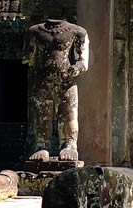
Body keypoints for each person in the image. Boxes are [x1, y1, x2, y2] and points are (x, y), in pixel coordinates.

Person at [23, 19, 89, 161]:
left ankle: (69, 145)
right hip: (42, 81)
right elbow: (28, 58)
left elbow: (83, 62)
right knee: (42, 114)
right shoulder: (34, 32)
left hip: (66, 81)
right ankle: (42, 145)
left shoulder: (78, 32)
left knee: (68, 113)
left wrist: (74, 69)